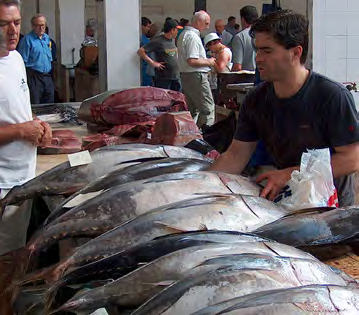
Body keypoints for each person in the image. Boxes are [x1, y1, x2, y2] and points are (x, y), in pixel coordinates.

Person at [208, 10, 359, 207]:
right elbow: (236, 156)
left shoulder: (332, 97)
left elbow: (351, 159)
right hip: (287, 198)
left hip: (331, 204)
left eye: (267, 51)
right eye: (257, 50)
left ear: (295, 52)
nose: (258, 58)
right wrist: (197, 185)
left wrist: (289, 174)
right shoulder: (256, 99)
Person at [0, 0, 52, 256]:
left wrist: (39, 124)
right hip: (3, 183)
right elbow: (18, 126)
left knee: (16, 249)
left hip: (24, 176)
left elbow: (21, 108)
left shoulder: (17, 58)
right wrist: (21, 131)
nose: (13, 31)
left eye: (16, 23)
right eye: (3, 24)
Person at [177, 11, 216, 128]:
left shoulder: (184, 34)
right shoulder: (192, 37)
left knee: (192, 111)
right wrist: (209, 61)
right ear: (198, 21)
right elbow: (192, 60)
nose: (207, 27)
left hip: (187, 75)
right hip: (196, 76)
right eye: (206, 23)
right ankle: (205, 137)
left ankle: (191, 135)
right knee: (207, 110)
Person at [17, 13, 54, 104]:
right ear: (33, 26)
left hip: (47, 76)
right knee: (36, 105)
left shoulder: (47, 38)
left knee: (50, 103)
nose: (41, 28)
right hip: (34, 77)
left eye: (43, 25)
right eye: (38, 25)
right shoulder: (27, 40)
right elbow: (21, 63)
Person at [138, 19, 182, 92]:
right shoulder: (158, 40)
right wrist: (153, 63)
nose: (177, 32)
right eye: (177, 30)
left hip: (175, 76)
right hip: (163, 78)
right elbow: (141, 51)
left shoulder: (172, 40)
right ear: (172, 30)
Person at [231, 6, 258, 72]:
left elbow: (237, 67)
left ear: (242, 19)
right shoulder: (265, 34)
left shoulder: (240, 37)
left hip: (247, 79)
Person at [140, 16, 152, 86]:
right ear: (142, 26)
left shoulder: (144, 39)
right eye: (148, 27)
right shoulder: (144, 40)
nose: (149, 29)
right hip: (145, 69)